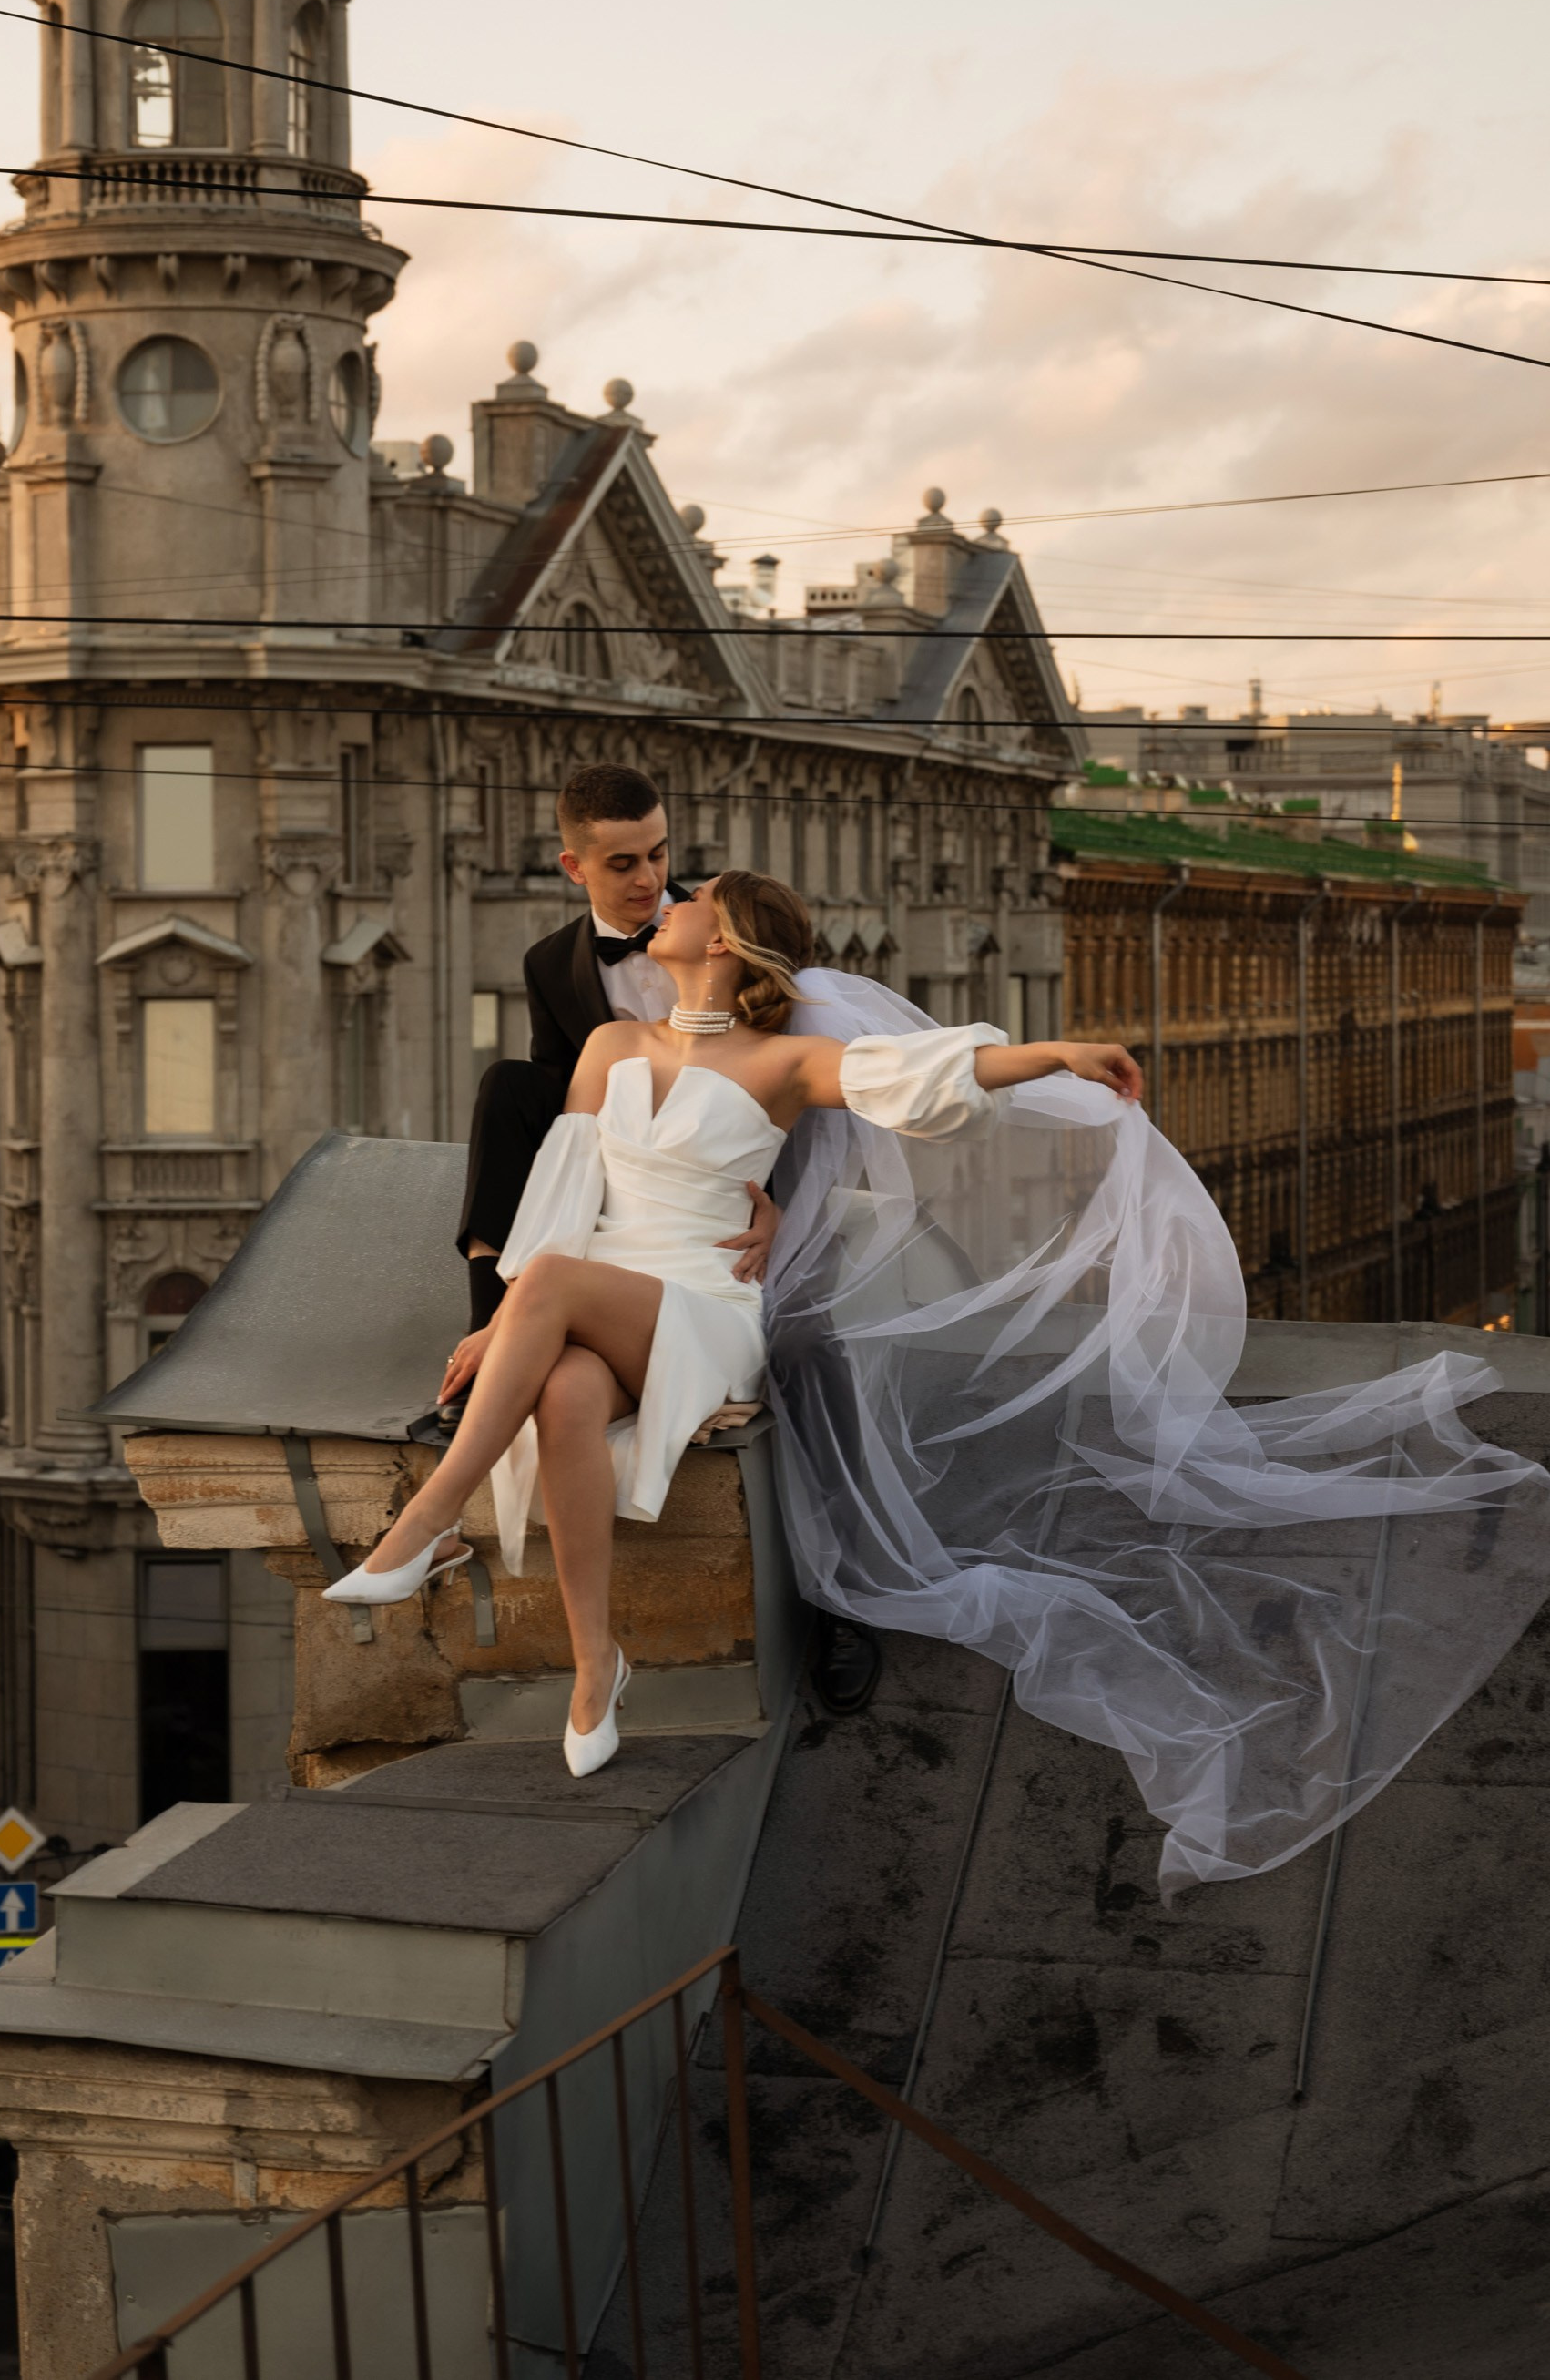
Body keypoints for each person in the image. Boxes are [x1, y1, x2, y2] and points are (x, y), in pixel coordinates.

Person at [328, 869, 1550, 1887]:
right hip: (602, 1288)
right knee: (562, 1395)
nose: (677, 894)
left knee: (539, 1308)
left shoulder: (779, 1063)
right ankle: (599, 1663)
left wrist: (1056, 1052)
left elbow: (924, 1080)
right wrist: (517, 1320)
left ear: (729, 937)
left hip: (699, 1308)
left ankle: (429, 1521)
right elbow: (564, 1202)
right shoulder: (605, 1045)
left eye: (697, 892)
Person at [427, 761, 879, 1715]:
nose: (650, 881)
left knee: (811, 1348)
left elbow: (813, 1077)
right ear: (573, 865)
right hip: (630, 1207)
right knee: (508, 1084)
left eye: (662, 854)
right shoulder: (552, 965)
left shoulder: (727, 921)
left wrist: (781, 1201)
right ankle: (496, 1325)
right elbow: (568, 1128)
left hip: (743, 1197)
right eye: (624, 863)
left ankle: (845, 1602)